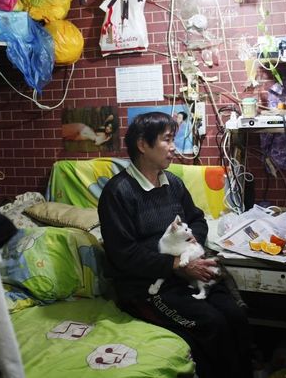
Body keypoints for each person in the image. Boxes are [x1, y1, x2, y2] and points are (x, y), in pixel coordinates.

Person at [98, 111, 253, 378]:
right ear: (143, 145)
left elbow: (196, 219)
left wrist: (192, 243)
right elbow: (123, 254)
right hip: (145, 287)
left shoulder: (174, 184)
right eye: (167, 140)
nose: (173, 147)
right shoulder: (118, 193)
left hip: (184, 276)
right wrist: (177, 265)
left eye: (174, 139)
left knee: (235, 314)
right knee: (211, 323)